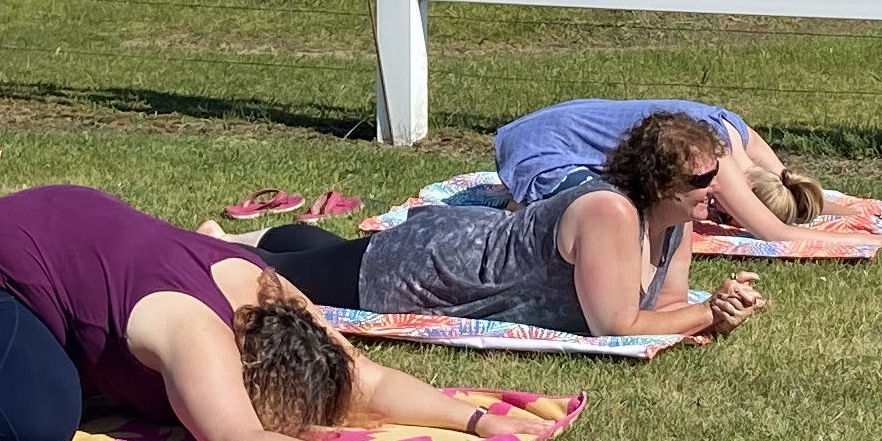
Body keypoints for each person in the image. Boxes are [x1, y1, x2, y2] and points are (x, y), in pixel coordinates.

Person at [0, 184, 500, 441]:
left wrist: (474, 421)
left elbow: (367, 376)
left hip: (52, 240)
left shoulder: (274, 295)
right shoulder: (198, 335)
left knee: (83, 389)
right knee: (35, 429)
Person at [249, 109, 770, 344]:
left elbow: (665, 310)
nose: (717, 186)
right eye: (703, 176)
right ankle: (215, 246)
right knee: (271, 277)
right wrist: (703, 313)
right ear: (659, 183)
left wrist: (716, 311)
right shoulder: (610, 213)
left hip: (457, 250)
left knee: (320, 254)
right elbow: (616, 326)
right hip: (430, 268)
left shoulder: (677, 222)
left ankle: (242, 238)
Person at [492, 95, 824, 239]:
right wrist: (874, 242)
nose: (713, 212)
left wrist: (861, 217)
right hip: (538, 146)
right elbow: (774, 233)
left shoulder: (737, 132)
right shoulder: (710, 154)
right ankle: (524, 204)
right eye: (725, 213)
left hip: (559, 121)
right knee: (600, 207)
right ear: (743, 192)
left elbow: (799, 191)